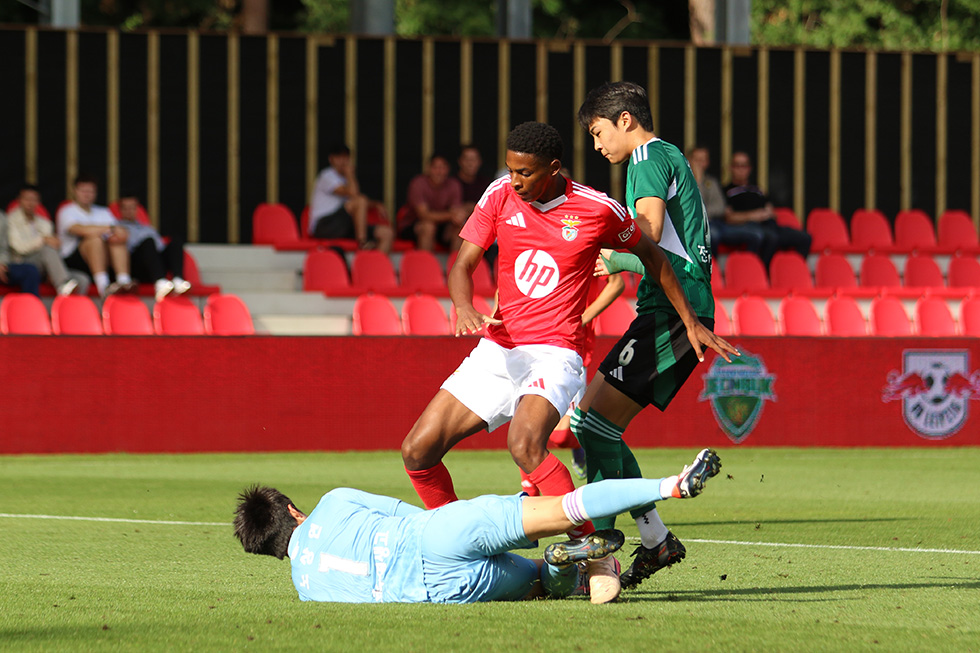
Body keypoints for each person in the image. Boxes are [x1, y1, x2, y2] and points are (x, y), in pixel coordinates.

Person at [399, 121, 736, 604]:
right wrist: (464, 305)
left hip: (556, 351)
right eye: (512, 170)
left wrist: (690, 321)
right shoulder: (499, 193)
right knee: (417, 450)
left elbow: (655, 256)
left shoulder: (597, 209)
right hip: (499, 349)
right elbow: (462, 263)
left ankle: (592, 552)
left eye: (526, 173)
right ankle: (463, 543)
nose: (515, 181)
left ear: (553, 169)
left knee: (526, 444)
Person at [575, 81, 739, 593]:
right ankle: (653, 538)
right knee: (595, 424)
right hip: (668, 306)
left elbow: (645, 231)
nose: (598, 146)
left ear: (625, 120)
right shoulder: (667, 155)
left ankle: (601, 546)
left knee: (593, 424)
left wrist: (607, 254)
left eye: (599, 132)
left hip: (674, 309)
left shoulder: (645, 157)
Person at [234, 448, 721, 604]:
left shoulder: (307, 588)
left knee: (539, 585)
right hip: (431, 535)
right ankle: (672, 485)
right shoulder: (333, 501)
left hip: (435, 589)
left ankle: (565, 567)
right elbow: (413, 517)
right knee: (565, 507)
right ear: (294, 511)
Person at [723, 151, 812, 266]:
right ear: (731, 168)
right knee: (771, 238)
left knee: (805, 238)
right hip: (748, 226)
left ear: (749, 168)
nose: (741, 169)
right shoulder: (726, 191)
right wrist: (753, 216)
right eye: (737, 165)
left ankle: (792, 269)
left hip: (770, 224)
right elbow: (728, 217)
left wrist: (769, 213)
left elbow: (770, 209)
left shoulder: (758, 189)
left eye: (744, 166)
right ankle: (764, 274)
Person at [57, 174, 134, 298]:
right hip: (74, 260)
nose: (87, 194)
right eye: (83, 190)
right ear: (74, 191)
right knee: (94, 239)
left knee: (116, 240)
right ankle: (103, 287)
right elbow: (79, 230)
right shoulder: (66, 211)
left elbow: (122, 234)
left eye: (90, 191)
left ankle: (123, 282)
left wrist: (112, 231)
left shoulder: (104, 212)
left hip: (104, 258)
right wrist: (108, 228)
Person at [309, 143, 394, 254]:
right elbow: (354, 195)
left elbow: (358, 199)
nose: (343, 161)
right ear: (331, 159)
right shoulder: (327, 175)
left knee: (386, 233)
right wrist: (350, 174)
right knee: (360, 201)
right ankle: (363, 244)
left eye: (345, 157)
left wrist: (376, 204)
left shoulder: (346, 180)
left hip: (343, 226)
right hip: (324, 226)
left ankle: (373, 268)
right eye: (338, 157)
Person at [2, 184, 84, 296]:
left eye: (34, 200)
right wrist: (43, 239)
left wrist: (55, 245)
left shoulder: (45, 223)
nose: (30, 203)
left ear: (38, 202)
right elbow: (19, 248)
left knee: (82, 279)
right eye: (27, 199)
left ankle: (71, 309)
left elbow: (53, 249)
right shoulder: (11, 220)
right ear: (19, 200)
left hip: (45, 267)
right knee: (47, 250)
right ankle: (62, 284)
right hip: (22, 262)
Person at [115, 194, 192, 303]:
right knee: (148, 242)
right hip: (134, 266)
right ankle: (159, 282)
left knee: (175, 242)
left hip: (154, 262)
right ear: (120, 210)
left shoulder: (148, 228)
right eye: (126, 208)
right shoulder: (116, 227)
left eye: (132, 207)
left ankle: (178, 279)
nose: (129, 211)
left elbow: (160, 248)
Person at [399, 154, 467, 252]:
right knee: (428, 227)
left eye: (443, 168)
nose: (439, 172)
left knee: (460, 227)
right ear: (429, 169)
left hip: (442, 226)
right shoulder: (418, 183)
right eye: (436, 168)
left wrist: (458, 216)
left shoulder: (454, 184)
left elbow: (456, 212)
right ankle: (426, 266)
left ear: (448, 169)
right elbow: (424, 215)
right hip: (414, 225)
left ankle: (456, 265)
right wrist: (451, 215)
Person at [687, 146, 736, 258]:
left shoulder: (711, 182)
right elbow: (693, 209)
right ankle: (711, 266)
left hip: (716, 223)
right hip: (695, 227)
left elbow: (721, 207)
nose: (699, 164)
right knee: (713, 235)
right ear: (688, 160)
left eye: (703, 160)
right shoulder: (682, 182)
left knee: (753, 234)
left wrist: (705, 212)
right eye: (696, 160)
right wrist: (697, 181)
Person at [456, 144, 493, 214]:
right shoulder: (452, 183)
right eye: (467, 159)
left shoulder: (486, 184)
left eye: (474, 159)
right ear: (460, 161)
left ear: (480, 161)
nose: (470, 163)